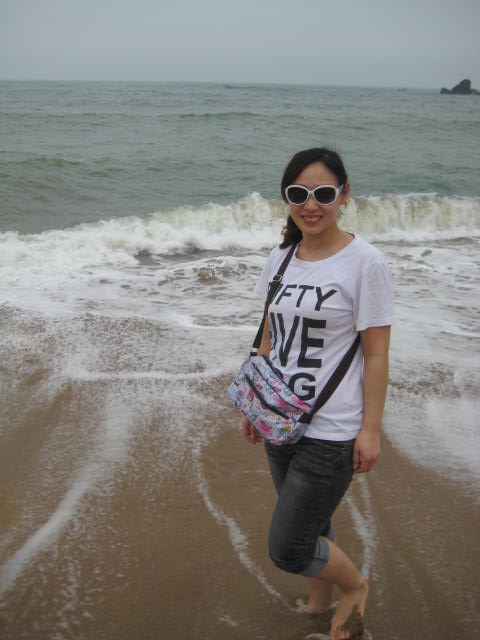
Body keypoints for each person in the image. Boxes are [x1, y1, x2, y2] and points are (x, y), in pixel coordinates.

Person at [242, 147, 393, 639]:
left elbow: (376, 354)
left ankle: (355, 588)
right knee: (311, 523)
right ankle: (319, 600)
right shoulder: (281, 258)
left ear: (344, 196)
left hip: (333, 431)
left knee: (288, 546)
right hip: (281, 420)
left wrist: (370, 430)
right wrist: (256, 403)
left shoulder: (365, 263)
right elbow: (268, 334)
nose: (311, 205)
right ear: (286, 198)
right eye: (299, 193)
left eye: (324, 193)